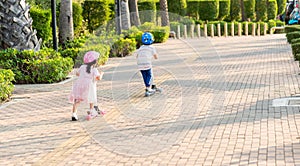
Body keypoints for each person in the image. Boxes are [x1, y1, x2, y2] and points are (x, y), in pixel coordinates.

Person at [69, 51, 104, 121]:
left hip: (80, 85)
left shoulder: (82, 67)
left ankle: (74, 114)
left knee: (77, 100)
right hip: (89, 86)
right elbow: (98, 78)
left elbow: (77, 74)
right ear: (94, 62)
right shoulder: (94, 69)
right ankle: (91, 111)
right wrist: (102, 74)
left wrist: (83, 76)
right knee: (91, 98)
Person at [136, 32, 161, 96]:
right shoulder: (151, 47)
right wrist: (155, 57)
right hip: (147, 63)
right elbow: (156, 57)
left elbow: (137, 56)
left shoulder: (141, 47)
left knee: (145, 75)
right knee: (149, 75)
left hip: (139, 63)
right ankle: (148, 88)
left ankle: (151, 85)